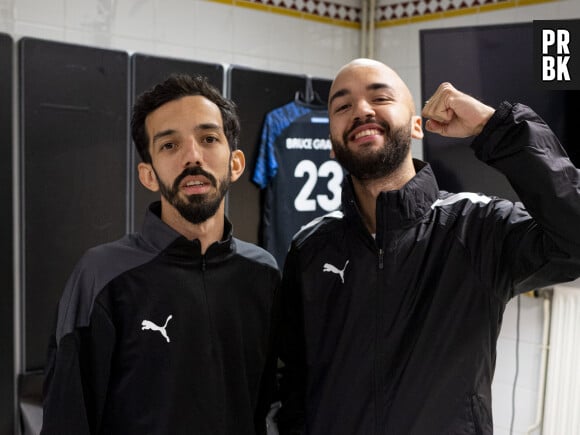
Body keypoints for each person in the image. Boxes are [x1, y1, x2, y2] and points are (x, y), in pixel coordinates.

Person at [275, 58, 580, 434]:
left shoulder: (478, 227)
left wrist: (494, 127)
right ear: (333, 146)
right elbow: (290, 387)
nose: (362, 110)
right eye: (342, 106)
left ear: (418, 125)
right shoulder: (309, 248)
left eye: (380, 97)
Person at [41, 74, 280, 435]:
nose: (192, 157)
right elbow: (67, 419)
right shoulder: (102, 276)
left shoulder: (262, 273)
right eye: (169, 145)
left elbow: (271, 405)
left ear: (235, 163)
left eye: (209, 138)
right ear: (148, 174)